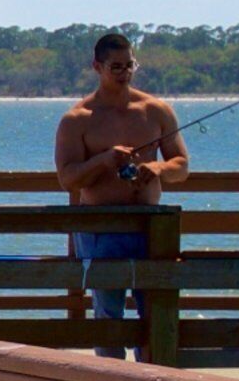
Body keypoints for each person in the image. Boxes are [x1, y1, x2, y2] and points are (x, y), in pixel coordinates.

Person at [55, 31, 186, 359]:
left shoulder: (156, 111)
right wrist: (103, 160)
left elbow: (181, 165)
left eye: (130, 65)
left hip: (150, 226)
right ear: (97, 66)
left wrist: (157, 170)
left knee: (155, 310)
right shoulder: (77, 119)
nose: (125, 72)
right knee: (108, 313)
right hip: (102, 228)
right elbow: (67, 178)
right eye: (116, 67)